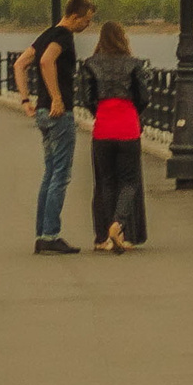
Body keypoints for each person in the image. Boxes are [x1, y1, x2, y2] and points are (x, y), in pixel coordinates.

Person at [13, 0, 94, 255]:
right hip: (59, 114)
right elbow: (46, 61)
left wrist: (26, 99)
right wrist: (57, 97)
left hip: (42, 112)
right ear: (75, 16)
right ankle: (50, 235)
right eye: (87, 20)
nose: (88, 26)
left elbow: (20, 64)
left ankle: (42, 234)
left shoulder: (47, 34)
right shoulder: (63, 36)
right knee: (60, 174)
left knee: (50, 174)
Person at [78, 21, 149, 252]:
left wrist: (99, 112)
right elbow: (144, 97)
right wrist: (133, 113)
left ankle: (104, 238)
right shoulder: (134, 64)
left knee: (105, 182)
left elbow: (86, 98)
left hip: (103, 128)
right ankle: (118, 225)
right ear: (123, 38)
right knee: (129, 181)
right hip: (128, 127)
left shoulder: (90, 64)